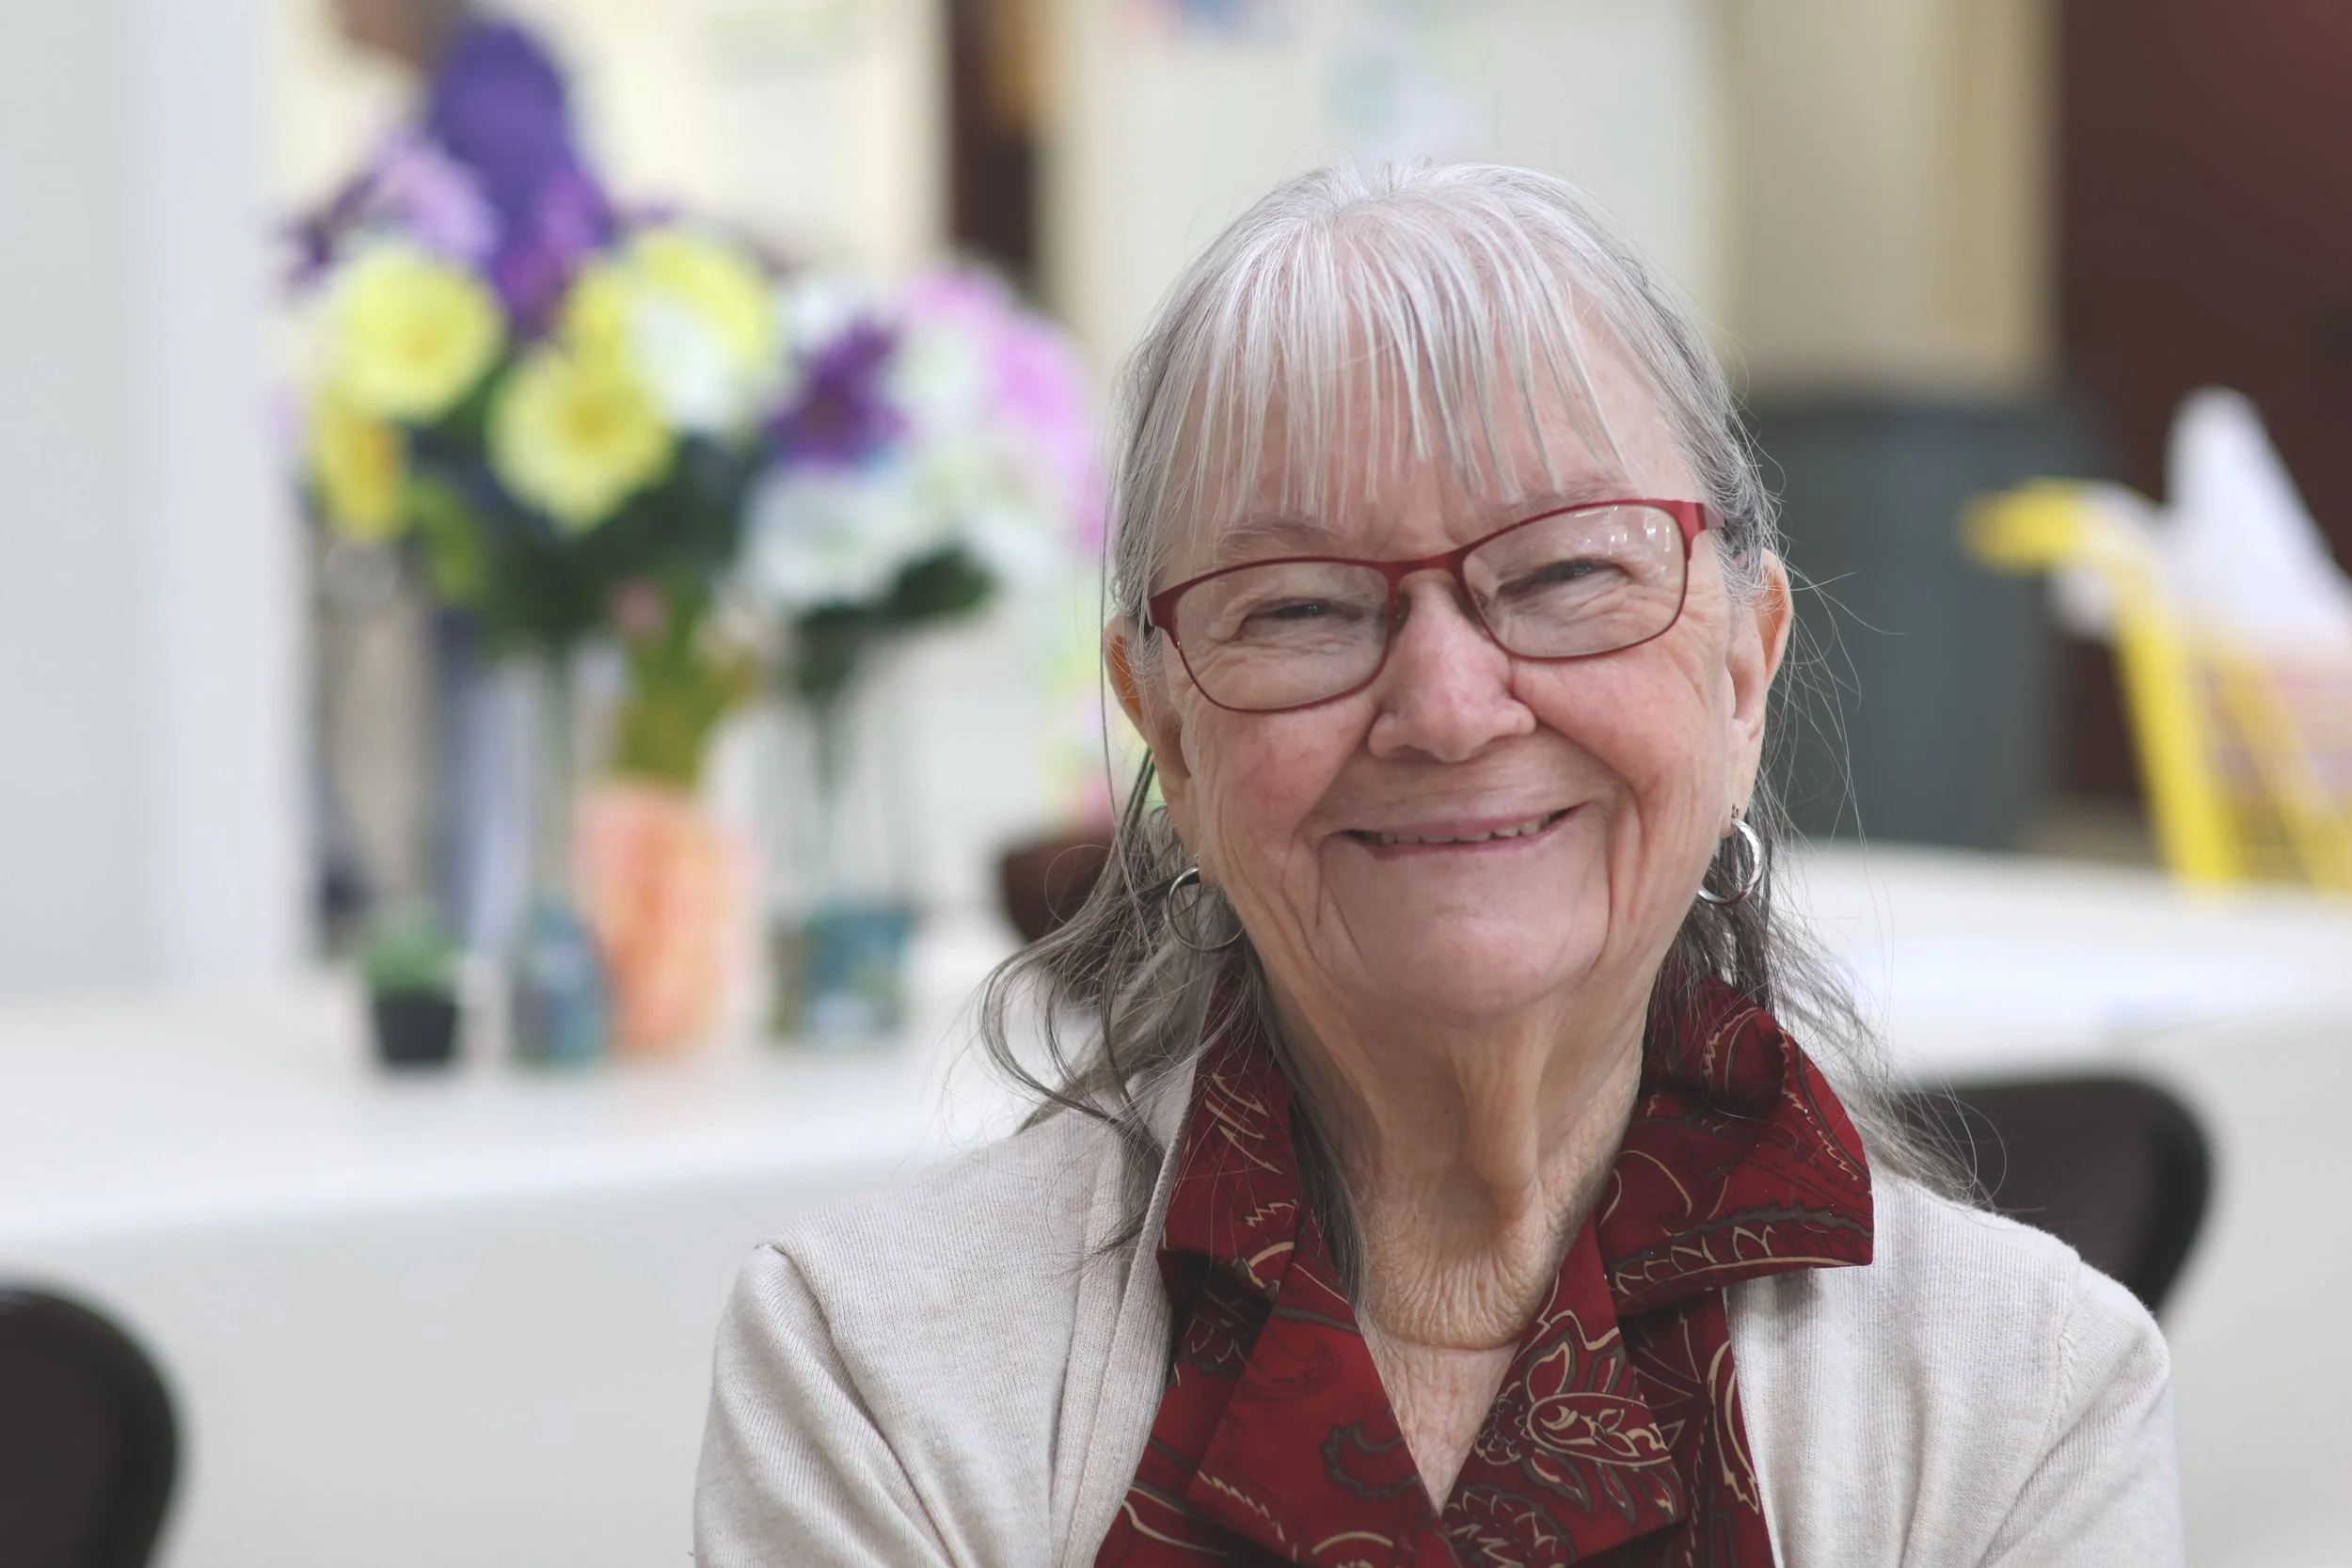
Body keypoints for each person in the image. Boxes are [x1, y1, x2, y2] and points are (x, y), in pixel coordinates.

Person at [694, 163, 2181, 1566]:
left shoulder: (2029, 1396)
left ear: (1744, 673)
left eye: (1565, 572)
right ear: (1173, 740)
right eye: (1302, 609)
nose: (1451, 707)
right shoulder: (877, 1373)